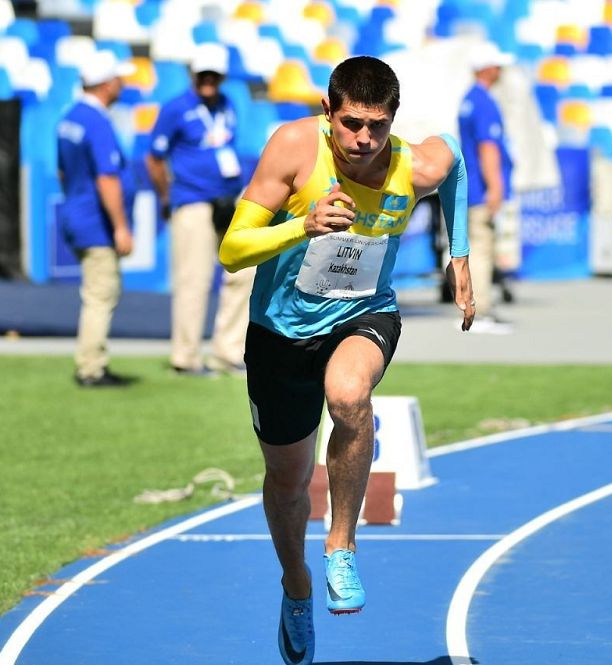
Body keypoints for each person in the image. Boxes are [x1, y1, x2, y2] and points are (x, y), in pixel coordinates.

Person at [218, 55, 474, 665]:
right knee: (286, 479)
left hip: (363, 313)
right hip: (280, 331)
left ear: (394, 121)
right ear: (327, 112)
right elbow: (232, 250)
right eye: (352, 123)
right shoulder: (294, 149)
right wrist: (299, 227)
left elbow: (456, 162)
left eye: (378, 126)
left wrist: (459, 253)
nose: (364, 139)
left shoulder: (417, 164)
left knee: (350, 395)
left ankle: (341, 546)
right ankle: (296, 586)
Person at [146, 42, 254, 376]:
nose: (209, 81)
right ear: (193, 73)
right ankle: (186, 357)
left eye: (215, 75)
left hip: (228, 198)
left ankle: (227, 351)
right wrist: (167, 197)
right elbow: (154, 156)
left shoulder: (227, 103)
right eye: (203, 74)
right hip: (191, 200)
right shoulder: (176, 108)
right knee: (194, 280)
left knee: (243, 272)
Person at [57, 50, 136, 387]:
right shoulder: (97, 121)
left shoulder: (70, 116)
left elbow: (63, 171)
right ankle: (91, 367)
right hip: (95, 222)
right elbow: (107, 178)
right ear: (106, 83)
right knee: (100, 293)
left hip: (77, 212)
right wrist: (120, 226)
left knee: (95, 292)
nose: (122, 83)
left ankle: (91, 362)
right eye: (118, 78)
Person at [456, 40, 516, 334]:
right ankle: (479, 312)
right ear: (488, 68)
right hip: (480, 188)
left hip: (470, 187)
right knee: (481, 249)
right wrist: (495, 187)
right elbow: (488, 148)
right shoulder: (483, 102)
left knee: (472, 248)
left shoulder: (469, 99)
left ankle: (472, 309)